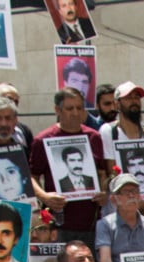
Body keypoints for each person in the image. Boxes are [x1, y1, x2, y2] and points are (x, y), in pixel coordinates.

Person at [31, 87, 106, 242]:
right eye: (69, 108)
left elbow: (102, 172)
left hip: (91, 222)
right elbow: (32, 176)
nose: (75, 113)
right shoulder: (42, 139)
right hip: (59, 225)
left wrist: (104, 192)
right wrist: (44, 196)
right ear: (57, 110)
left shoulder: (94, 137)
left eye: (79, 108)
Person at [94, 173, 144, 262]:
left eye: (135, 191)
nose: (131, 195)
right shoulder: (104, 224)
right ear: (113, 199)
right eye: (125, 192)